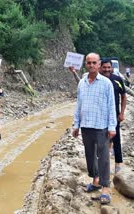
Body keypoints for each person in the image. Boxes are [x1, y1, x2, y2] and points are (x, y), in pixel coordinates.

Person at [73, 53, 117, 205]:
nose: (91, 65)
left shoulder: (106, 83)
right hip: (86, 125)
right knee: (90, 155)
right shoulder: (82, 83)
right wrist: (76, 124)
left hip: (102, 127)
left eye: (94, 62)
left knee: (103, 157)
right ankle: (95, 180)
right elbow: (78, 105)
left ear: (99, 65)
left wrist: (112, 127)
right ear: (86, 64)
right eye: (89, 62)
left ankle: (105, 188)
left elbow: (112, 106)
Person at [100, 59, 126, 173]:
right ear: (100, 67)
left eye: (108, 67)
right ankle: (103, 166)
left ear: (112, 68)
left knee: (116, 139)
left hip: (114, 115)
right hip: (100, 116)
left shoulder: (117, 79)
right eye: (104, 67)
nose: (106, 69)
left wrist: (122, 113)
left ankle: (117, 165)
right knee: (101, 140)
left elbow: (124, 96)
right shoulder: (97, 80)